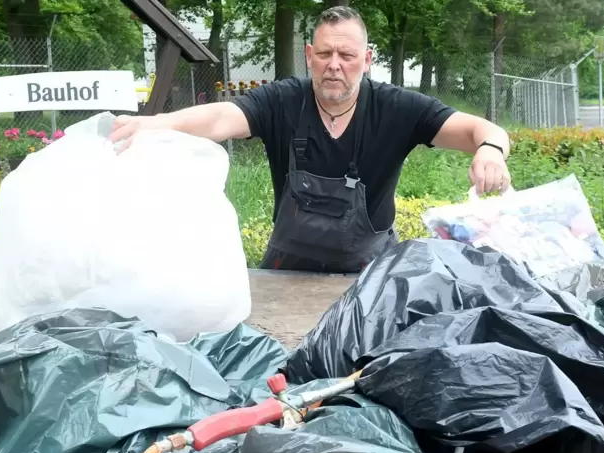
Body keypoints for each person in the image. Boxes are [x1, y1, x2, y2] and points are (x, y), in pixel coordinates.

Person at [109, 6, 512, 274]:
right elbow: (220, 117)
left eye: (347, 55)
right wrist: (156, 123)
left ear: (367, 60)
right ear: (308, 54)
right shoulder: (282, 101)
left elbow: (485, 131)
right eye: (324, 54)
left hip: (370, 278)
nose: (334, 65)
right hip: (286, 271)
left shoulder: (398, 108)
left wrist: (491, 151)